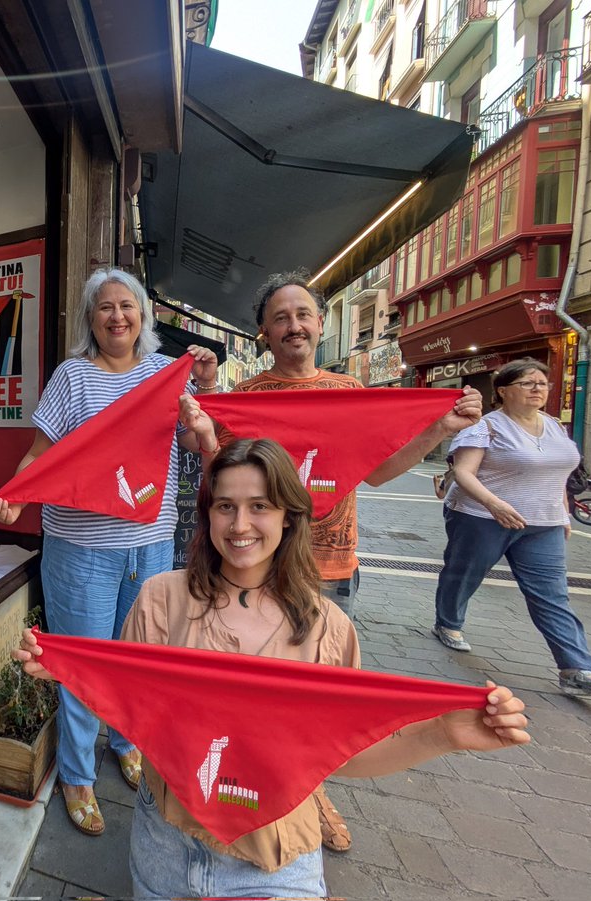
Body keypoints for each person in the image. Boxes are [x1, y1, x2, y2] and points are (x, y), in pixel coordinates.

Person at [14, 439, 530, 898]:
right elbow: (135, 710)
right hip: (164, 841)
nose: (240, 525)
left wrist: (443, 734)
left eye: (259, 506)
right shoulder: (160, 599)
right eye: (225, 506)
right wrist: (69, 671)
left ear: (288, 516)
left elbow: (344, 754)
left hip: (274, 862)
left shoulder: (328, 629)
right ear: (207, 515)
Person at [179, 269, 483, 851]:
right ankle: (250, 777)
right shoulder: (247, 397)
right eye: (280, 318)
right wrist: (205, 412)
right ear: (264, 332)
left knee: (317, 692)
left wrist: (441, 428)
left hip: (330, 565)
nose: (293, 325)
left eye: (303, 315)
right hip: (256, 567)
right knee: (255, 684)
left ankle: (310, 788)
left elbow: (379, 470)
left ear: (320, 324)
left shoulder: (350, 391)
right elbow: (216, 468)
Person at [0, 268, 218, 837]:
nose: (117, 316)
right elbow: (40, 452)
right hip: (81, 549)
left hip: (150, 544)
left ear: (143, 315)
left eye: (127, 306)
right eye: (105, 307)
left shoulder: (165, 374)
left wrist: (206, 394)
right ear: (91, 319)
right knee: (83, 666)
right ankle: (76, 775)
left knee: (136, 659)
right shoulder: (73, 377)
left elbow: (196, 440)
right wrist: (15, 494)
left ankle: (126, 742)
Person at [432, 358, 591, 697]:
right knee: (464, 574)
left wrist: (563, 514)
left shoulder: (554, 426)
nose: (537, 389)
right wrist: (494, 504)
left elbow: (558, 474)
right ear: (503, 391)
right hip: (480, 518)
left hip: (543, 523)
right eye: (527, 383)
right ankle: (447, 623)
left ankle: (577, 669)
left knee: (552, 595)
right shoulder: (485, 426)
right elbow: (464, 472)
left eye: (542, 383)